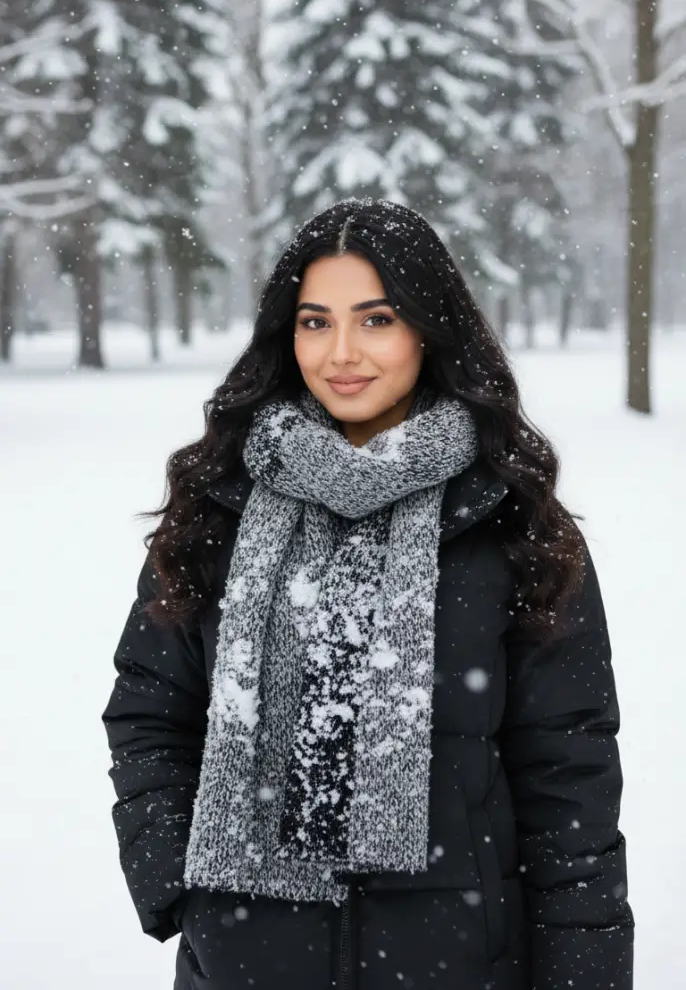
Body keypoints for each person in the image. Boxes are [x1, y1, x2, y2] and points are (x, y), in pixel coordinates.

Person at [102, 197, 633, 990]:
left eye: (376, 319)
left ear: (429, 328)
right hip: (250, 963)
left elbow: (571, 778)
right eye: (315, 322)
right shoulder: (221, 505)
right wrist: (187, 891)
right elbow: (149, 711)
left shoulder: (512, 522)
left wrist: (584, 970)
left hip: (463, 964)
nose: (341, 352)